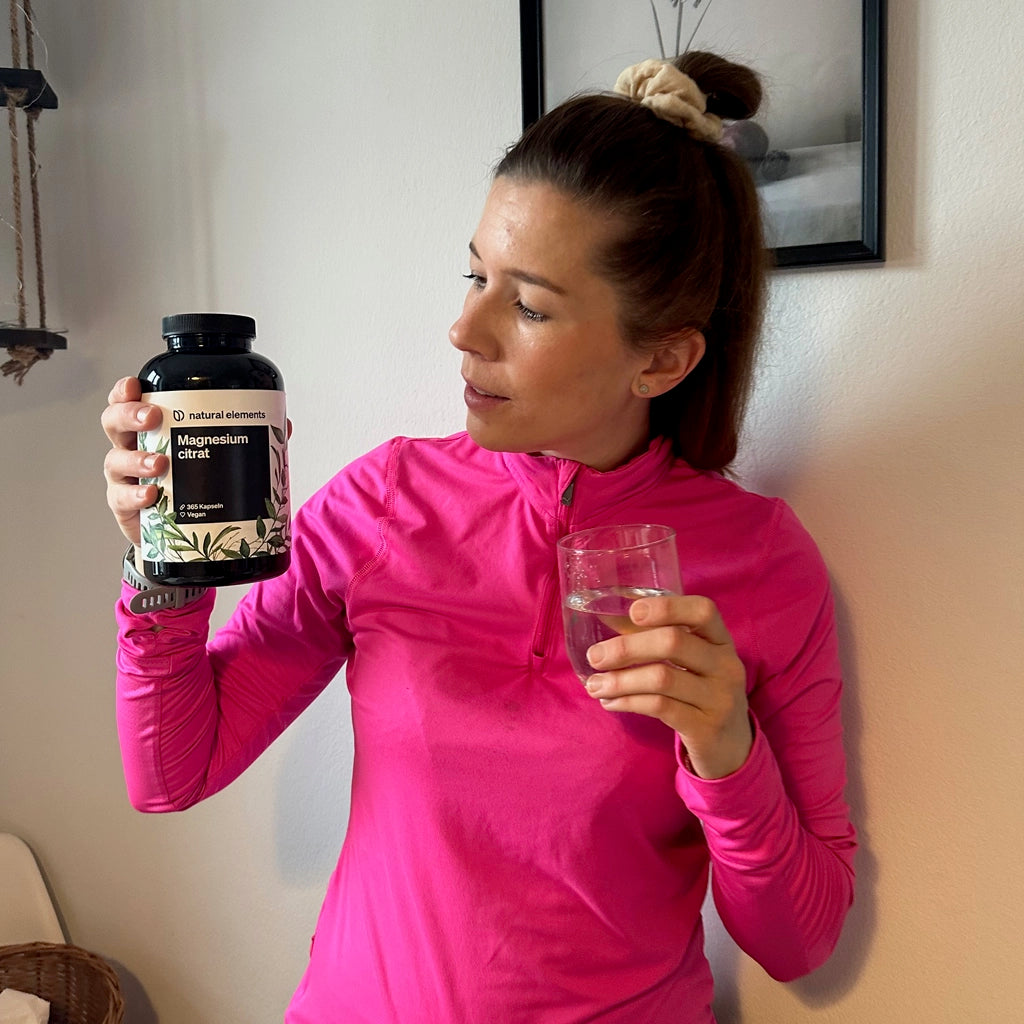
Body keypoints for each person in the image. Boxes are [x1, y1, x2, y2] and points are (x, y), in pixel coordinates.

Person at [102, 52, 856, 1024]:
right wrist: (159, 555)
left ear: (662, 358)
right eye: (475, 275)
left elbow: (803, 940)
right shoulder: (384, 502)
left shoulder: (760, 559)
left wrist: (726, 748)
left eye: (528, 305)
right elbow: (172, 773)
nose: (463, 328)